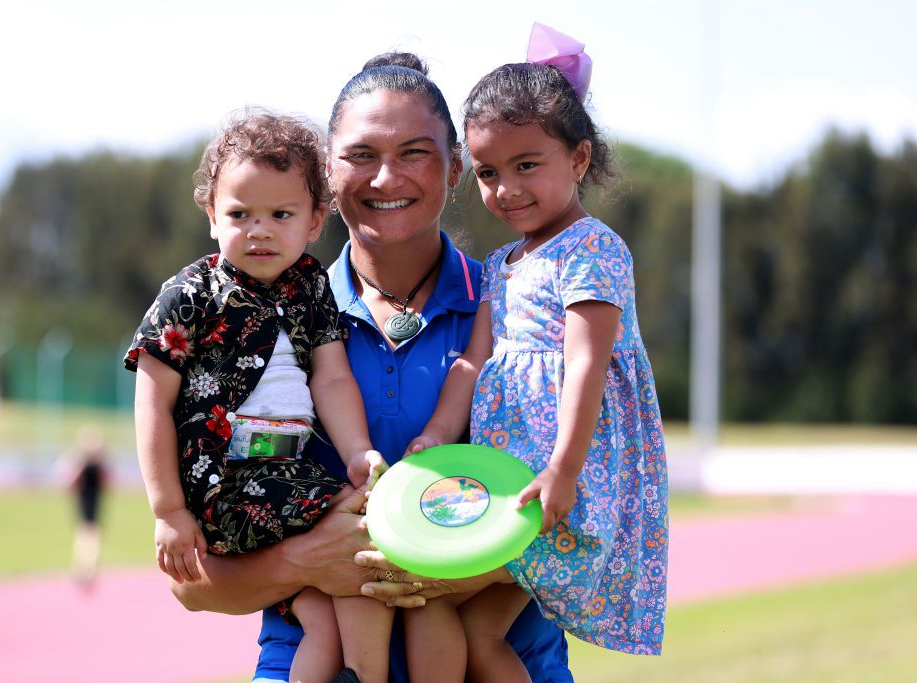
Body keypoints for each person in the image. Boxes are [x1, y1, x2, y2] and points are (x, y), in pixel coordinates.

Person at [170, 53, 575, 683]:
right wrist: (307, 561)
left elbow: (600, 502)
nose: (387, 178)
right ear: (327, 175)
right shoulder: (246, 314)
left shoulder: (531, 304)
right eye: (361, 155)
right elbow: (192, 583)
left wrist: (474, 563)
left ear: (457, 168)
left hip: (505, 663)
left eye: (415, 152)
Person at [405, 25, 670, 680]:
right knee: (476, 632)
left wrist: (563, 469)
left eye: (527, 166)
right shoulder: (502, 262)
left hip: (563, 482)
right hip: (511, 479)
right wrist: (437, 434)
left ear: (579, 159)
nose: (506, 189)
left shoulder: (592, 248)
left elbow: (586, 361)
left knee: (432, 588)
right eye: (490, 173)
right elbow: (473, 358)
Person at [125, 110, 391, 683]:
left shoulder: (311, 288)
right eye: (239, 214)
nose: (259, 230)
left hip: (284, 483)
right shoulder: (191, 294)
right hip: (226, 485)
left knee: (326, 608)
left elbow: (332, 377)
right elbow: (152, 400)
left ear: (317, 219)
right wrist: (169, 510)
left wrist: (357, 453)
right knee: (366, 542)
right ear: (211, 216)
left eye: (281, 214)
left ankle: (353, 670)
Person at [59, 424, 109, 589]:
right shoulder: (85, 467)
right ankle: (86, 570)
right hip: (86, 506)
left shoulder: (95, 467)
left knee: (88, 538)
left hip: (92, 506)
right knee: (88, 538)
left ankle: (86, 570)